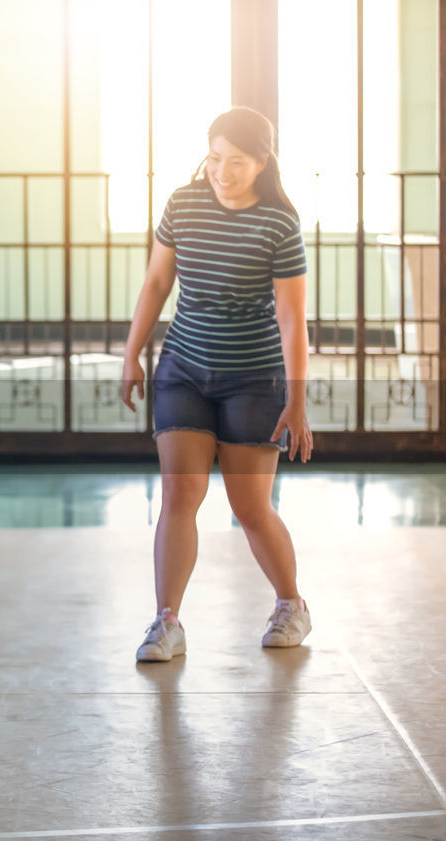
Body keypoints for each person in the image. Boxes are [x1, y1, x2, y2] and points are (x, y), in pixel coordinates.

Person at [120, 107, 314, 663]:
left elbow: (291, 316)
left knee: (249, 505)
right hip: (184, 369)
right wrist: (133, 353)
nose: (222, 171)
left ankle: (291, 604)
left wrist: (296, 400)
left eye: (237, 161)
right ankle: (167, 622)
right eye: (214, 158)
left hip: (254, 377)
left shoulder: (278, 222)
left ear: (262, 162)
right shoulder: (183, 205)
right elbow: (158, 281)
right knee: (180, 494)